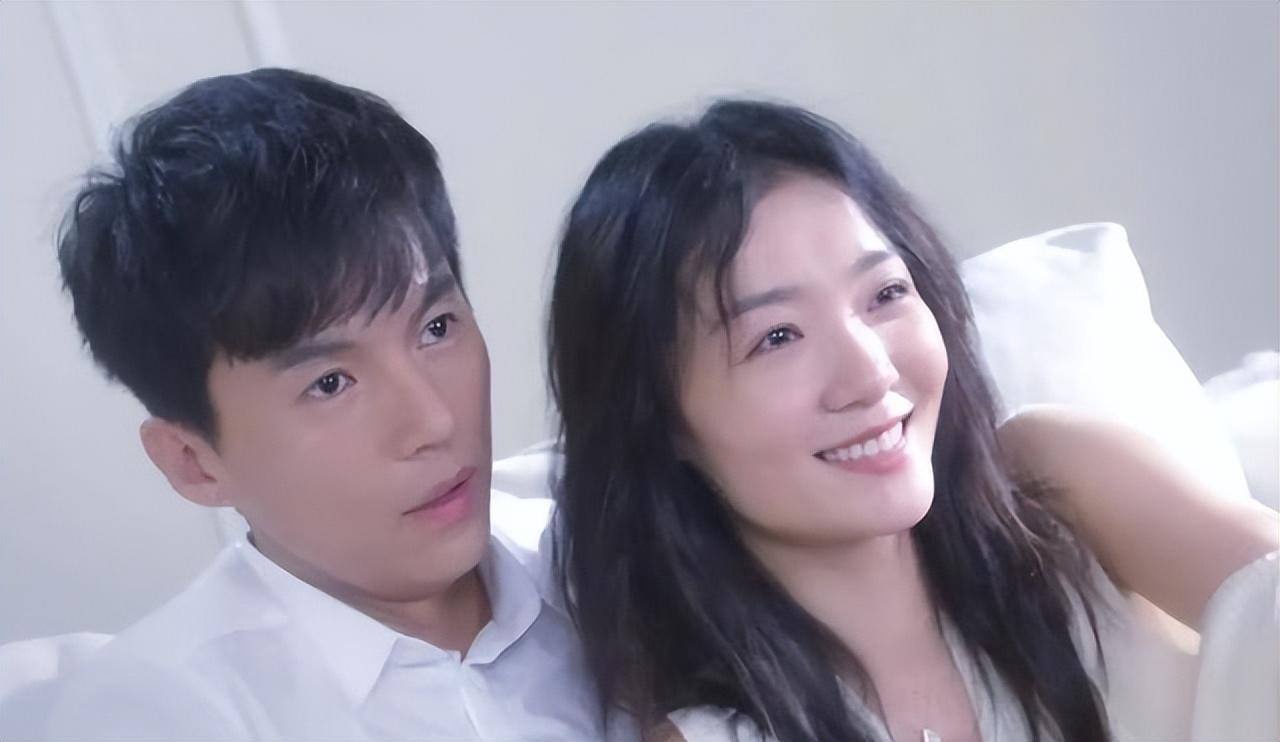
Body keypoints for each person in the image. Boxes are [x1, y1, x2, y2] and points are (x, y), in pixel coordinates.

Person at [547, 99, 1280, 742]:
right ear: (662, 421)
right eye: (778, 337)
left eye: (885, 294)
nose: (870, 372)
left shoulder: (1053, 483)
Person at [41, 68, 601, 741]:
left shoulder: (606, 549)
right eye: (330, 383)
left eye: (436, 328)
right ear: (193, 461)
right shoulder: (161, 716)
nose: (434, 421)